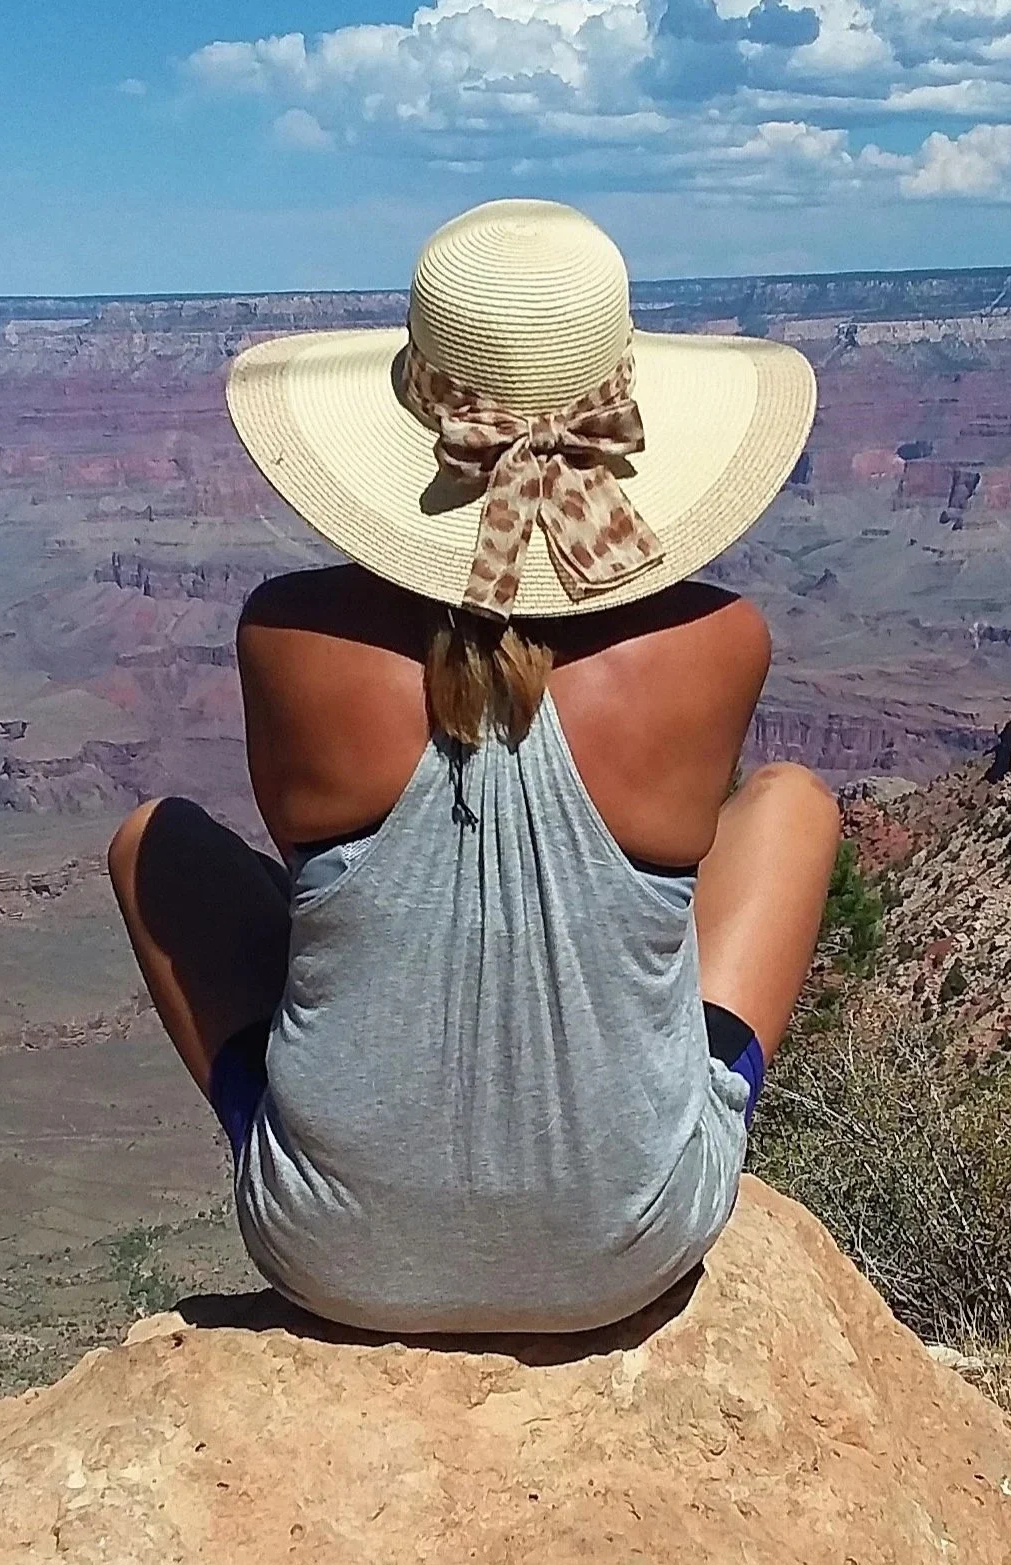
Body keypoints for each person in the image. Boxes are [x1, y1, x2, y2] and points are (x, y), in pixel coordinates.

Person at [106, 199, 838, 1335]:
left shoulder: (289, 637)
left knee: (154, 840)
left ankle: (297, 1141)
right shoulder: (717, 640)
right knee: (792, 803)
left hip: (329, 1253)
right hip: (628, 1248)